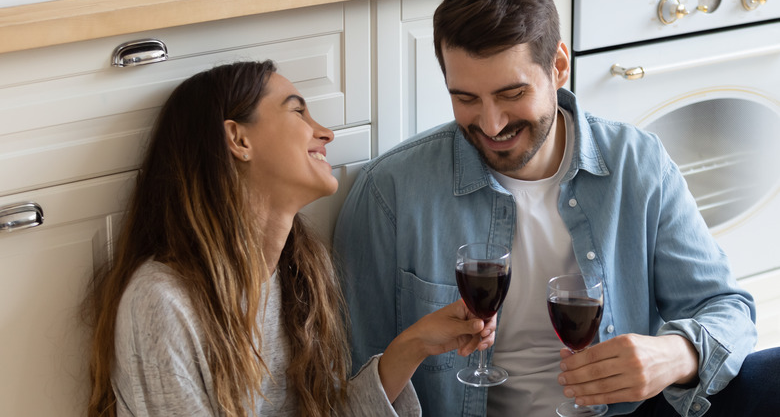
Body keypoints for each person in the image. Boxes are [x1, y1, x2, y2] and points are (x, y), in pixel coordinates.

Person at [333, 0, 780, 416]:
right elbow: (349, 388)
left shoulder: (636, 163)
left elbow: (727, 310)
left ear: (558, 67)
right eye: (466, 98)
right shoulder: (390, 193)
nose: (490, 124)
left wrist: (676, 355)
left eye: (513, 94)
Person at [81, 60, 498, 417]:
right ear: (239, 140)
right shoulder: (162, 302)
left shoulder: (297, 273)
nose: (325, 133)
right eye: (298, 112)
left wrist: (413, 345)